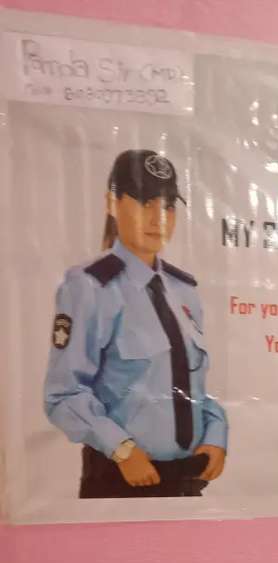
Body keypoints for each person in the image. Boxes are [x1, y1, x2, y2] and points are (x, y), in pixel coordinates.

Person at [44, 149, 228, 498]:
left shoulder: (183, 291)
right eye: (145, 203)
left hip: (187, 479)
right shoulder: (89, 287)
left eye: (168, 206)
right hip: (121, 478)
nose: (159, 218)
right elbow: (63, 394)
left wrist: (216, 435)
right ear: (112, 203)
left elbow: (192, 385)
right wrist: (122, 449)